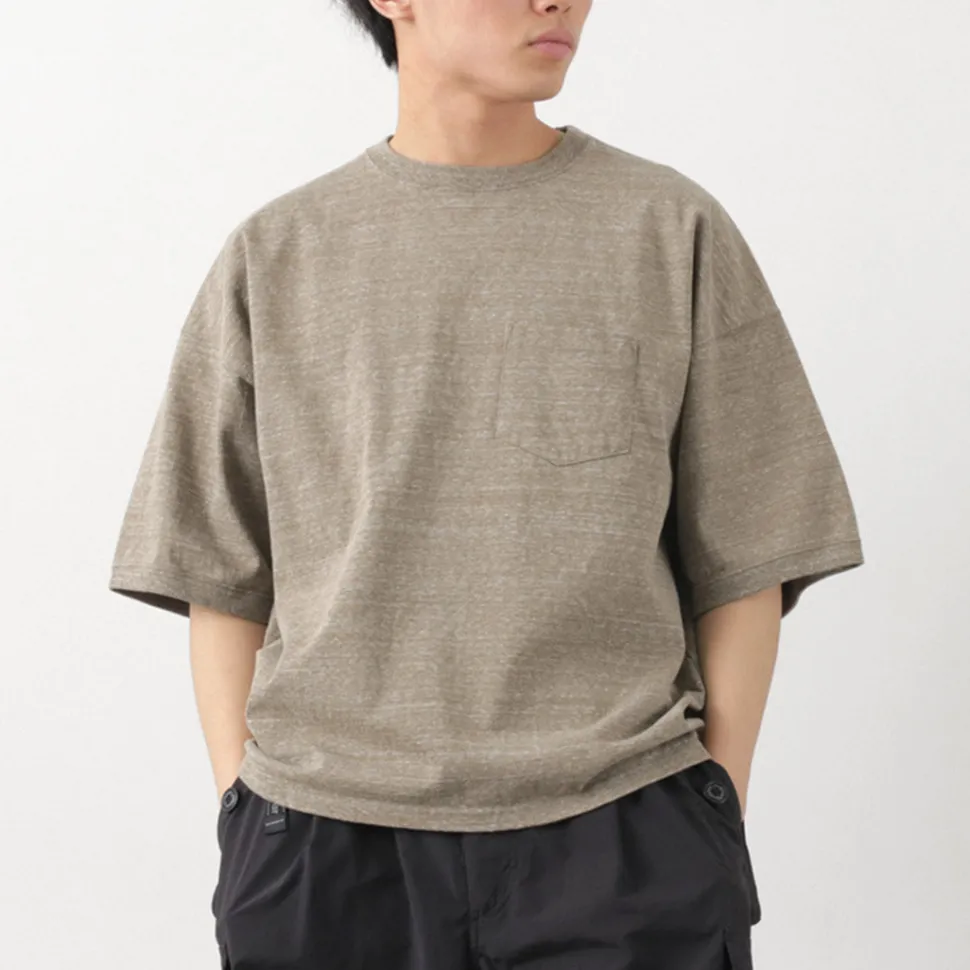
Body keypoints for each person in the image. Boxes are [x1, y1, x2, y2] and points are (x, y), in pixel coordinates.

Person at [108, 1, 865, 967]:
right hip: (328, 842)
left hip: (624, 825)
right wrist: (242, 812)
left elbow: (753, 545)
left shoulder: (670, 227)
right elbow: (216, 564)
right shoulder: (279, 250)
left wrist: (713, 802)